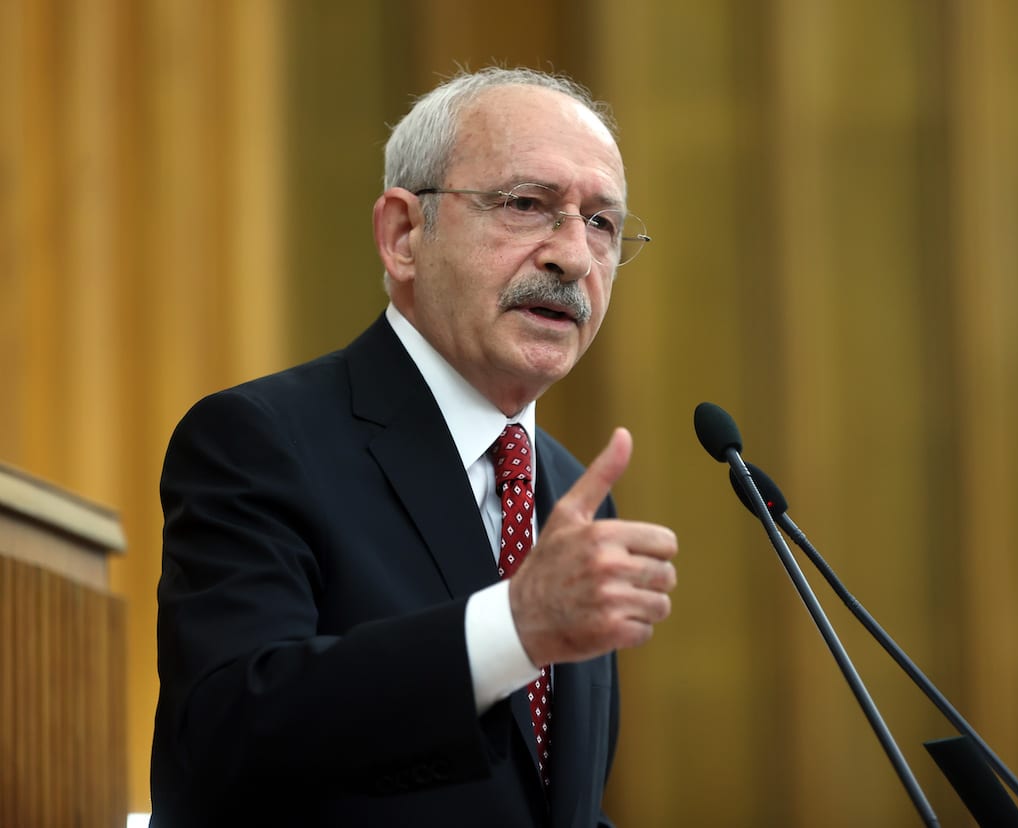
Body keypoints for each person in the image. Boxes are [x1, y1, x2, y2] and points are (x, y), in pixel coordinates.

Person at [149, 67, 678, 827]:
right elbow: (228, 732)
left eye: (601, 222)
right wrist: (513, 627)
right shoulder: (260, 440)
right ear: (403, 235)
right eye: (528, 205)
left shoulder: (568, 490)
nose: (574, 256)